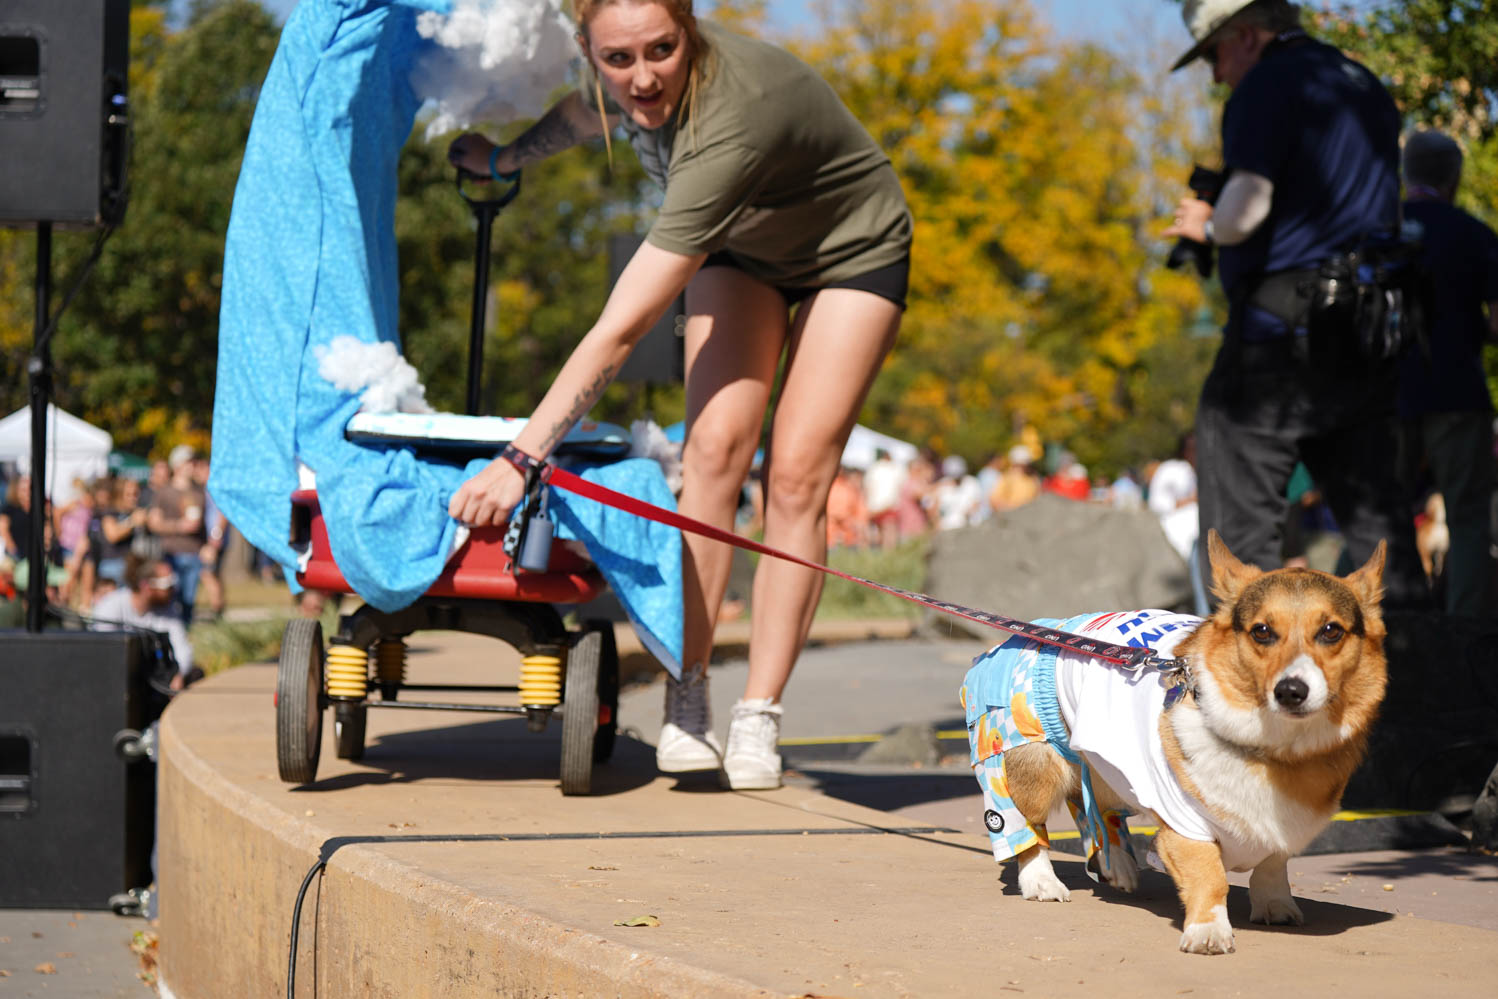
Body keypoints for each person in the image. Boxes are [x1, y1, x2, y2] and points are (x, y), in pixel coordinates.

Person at [446, 0, 912, 789]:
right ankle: (686, 687)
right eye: (618, 60)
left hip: (852, 248)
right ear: (590, 52)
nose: (642, 76)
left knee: (795, 473)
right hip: (743, 247)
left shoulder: (733, 118)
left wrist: (522, 457)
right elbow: (586, 117)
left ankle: (759, 712)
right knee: (711, 455)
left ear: (690, 31)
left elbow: (622, 329)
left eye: (662, 50)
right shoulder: (612, 83)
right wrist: (508, 158)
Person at [1162, 0, 1427, 607]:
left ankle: (1244, 687)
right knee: (1378, 530)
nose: (1215, 73)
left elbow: (1246, 210)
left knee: (1239, 532)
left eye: (1213, 53)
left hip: (1277, 336)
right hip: (1365, 332)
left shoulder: (1265, 87)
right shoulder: (1366, 87)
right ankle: (1419, 680)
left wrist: (1205, 224)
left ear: (1248, 35)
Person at [1396, 129, 1498, 617]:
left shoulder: (1379, 230)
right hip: (1459, 392)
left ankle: (1383, 623)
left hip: (1388, 397)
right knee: (1468, 517)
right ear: (1455, 177)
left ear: (1406, 173)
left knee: (1379, 513)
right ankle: (1468, 642)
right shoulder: (1474, 235)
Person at [91, 554, 196, 691]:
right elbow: (102, 652)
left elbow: (183, 650)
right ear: (146, 586)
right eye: (167, 585)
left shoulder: (169, 610)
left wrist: (178, 675)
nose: (173, 590)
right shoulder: (110, 607)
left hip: (156, 679)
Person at [147, 445, 208, 626]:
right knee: (172, 599)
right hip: (172, 552)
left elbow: (204, 524)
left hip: (194, 552)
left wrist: (207, 544)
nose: (193, 466)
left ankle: (185, 636)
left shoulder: (198, 492)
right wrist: (179, 526)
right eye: (189, 462)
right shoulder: (164, 492)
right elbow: (154, 523)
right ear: (178, 465)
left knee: (189, 601)